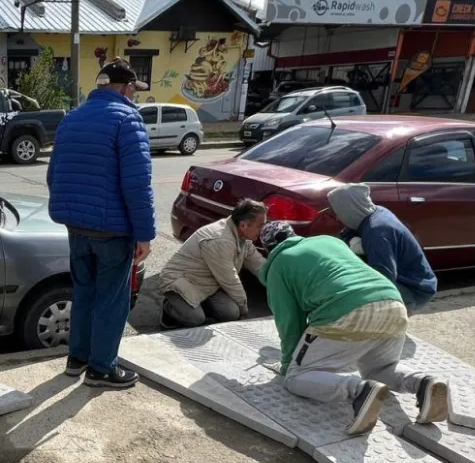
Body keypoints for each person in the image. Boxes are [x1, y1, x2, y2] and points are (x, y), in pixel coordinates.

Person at [258, 221, 449, 435]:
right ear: (294, 234)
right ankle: (423, 383)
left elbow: (289, 323)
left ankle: (360, 391)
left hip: (348, 311)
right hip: (393, 303)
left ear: (267, 249)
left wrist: (288, 364)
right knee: (379, 370)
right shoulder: (329, 241)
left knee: (297, 377)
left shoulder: (278, 265)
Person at [46, 58, 155, 389]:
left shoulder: (71, 119)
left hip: (76, 227)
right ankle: (102, 368)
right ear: (125, 87)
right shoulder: (127, 120)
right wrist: (145, 235)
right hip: (112, 230)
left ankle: (77, 358)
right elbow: (137, 185)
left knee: (84, 293)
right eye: (134, 89)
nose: (134, 96)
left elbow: (54, 176)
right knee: (111, 299)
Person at [327, 183, 437, 312]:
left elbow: (383, 280)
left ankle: (387, 325)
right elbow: (348, 231)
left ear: (350, 209)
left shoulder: (377, 232)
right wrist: (351, 239)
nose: (338, 218)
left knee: (353, 304)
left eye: (338, 212)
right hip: (415, 282)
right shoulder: (375, 211)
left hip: (412, 290)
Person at [159, 199, 267, 328]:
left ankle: (195, 304)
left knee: (231, 313)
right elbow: (229, 279)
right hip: (181, 280)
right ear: (244, 225)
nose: (262, 229)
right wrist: (244, 309)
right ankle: (169, 308)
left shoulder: (243, 238)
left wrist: (283, 283)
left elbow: (260, 266)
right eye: (260, 225)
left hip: (207, 284)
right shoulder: (221, 240)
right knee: (195, 319)